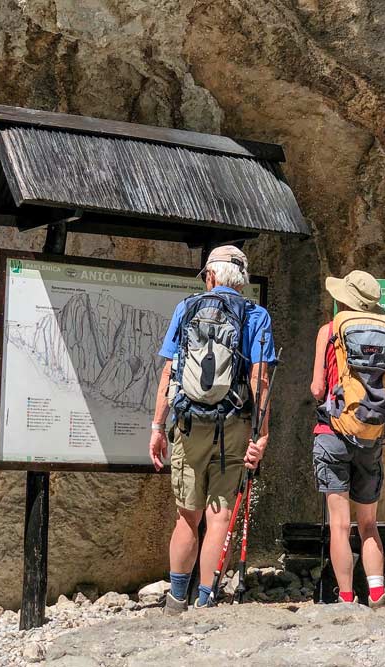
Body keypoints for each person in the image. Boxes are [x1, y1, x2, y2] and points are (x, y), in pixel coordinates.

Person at [148, 245, 275, 613]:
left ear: (212, 275)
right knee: (219, 516)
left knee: (187, 517)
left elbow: (169, 373)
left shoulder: (186, 309)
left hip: (189, 425)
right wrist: (262, 433)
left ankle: (176, 599)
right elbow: (260, 378)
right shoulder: (256, 315)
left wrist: (158, 427)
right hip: (234, 425)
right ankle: (206, 598)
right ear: (241, 280)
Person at [310, 270, 385, 608]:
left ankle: (347, 597)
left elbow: (317, 389)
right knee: (368, 524)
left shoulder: (330, 331)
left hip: (332, 433)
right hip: (372, 436)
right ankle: (377, 593)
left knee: (339, 525)